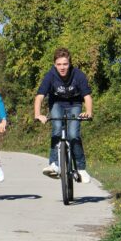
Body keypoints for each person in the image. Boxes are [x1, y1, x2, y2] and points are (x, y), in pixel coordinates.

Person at [34, 48, 92, 183]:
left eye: (65, 64)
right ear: (55, 64)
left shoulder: (78, 75)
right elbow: (39, 96)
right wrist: (38, 114)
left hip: (75, 105)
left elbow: (87, 96)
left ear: (70, 64)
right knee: (57, 129)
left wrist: (88, 112)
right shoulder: (50, 75)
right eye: (59, 64)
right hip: (57, 104)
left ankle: (81, 169)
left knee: (73, 134)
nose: (62, 67)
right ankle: (54, 164)